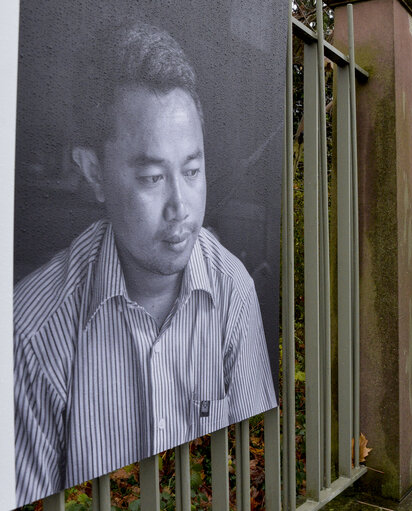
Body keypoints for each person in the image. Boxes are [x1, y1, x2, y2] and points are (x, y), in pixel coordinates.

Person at [13, 22, 277, 505]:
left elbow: (254, 474)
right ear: (94, 173)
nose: (182, 207)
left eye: (192, 171)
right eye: (153, 178)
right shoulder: (31, 336)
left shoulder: (232, 289)